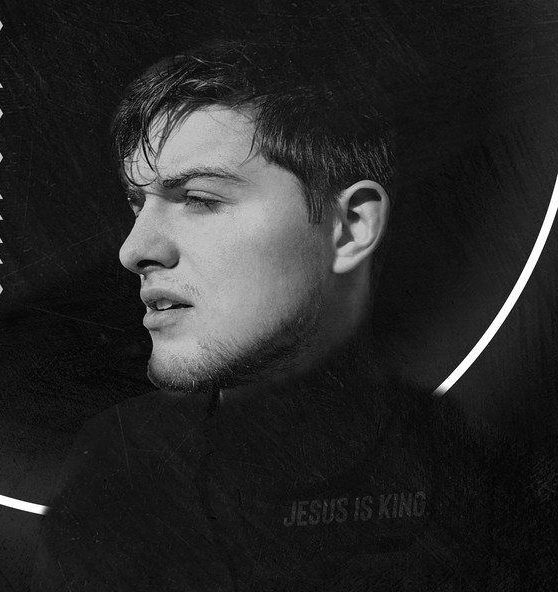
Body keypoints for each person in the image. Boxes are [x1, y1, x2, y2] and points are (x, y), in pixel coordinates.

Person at [32, 41, 555, 591]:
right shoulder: (116, 462)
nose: (134, 249)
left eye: (200, 199)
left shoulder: (499, 489)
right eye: (138, 204)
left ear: (350, 227)